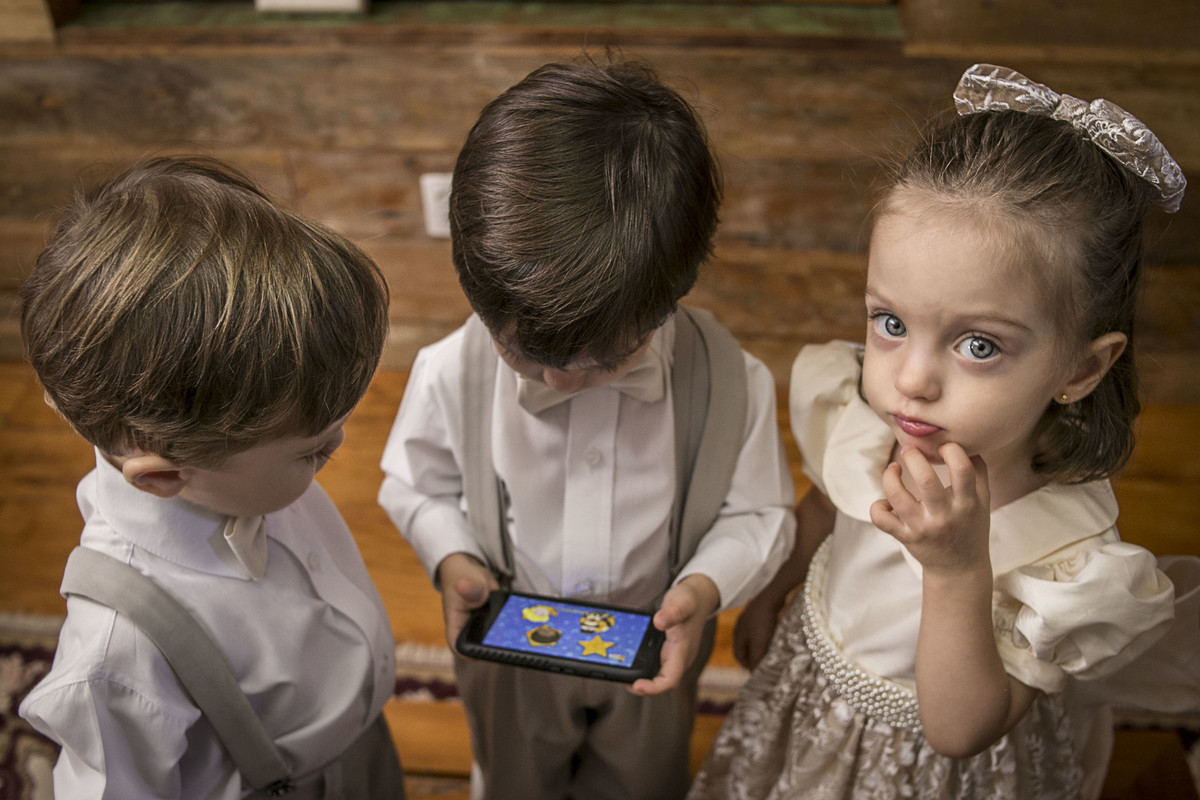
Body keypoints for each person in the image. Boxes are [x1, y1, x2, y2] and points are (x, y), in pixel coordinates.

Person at [689, 64, 1200, 800]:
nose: (912, 380)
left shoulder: (1065, 557)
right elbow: (832, 502)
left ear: (1083, 368)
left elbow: (960, 731)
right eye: (891, 324)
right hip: (817, 699)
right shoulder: (883, 423)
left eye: (978, 345)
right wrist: (777, 585)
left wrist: (958, 568)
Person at [378, 58, 796, 800]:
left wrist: (704, 589)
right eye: (523, 356)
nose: (558, 382)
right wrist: (452, 559)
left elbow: (759, 515)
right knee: (513, 776)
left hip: (654, 644)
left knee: (644, 779)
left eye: (602, 362)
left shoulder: (734, 383)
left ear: (671, 295)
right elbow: (415, 484)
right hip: (511, 646)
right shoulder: (451, 371)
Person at [18, 156, 405, 799]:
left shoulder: (230, 464)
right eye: (314, 452)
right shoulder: (115, 657)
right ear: (162, 478)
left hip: (361, 746)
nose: (338, 443)